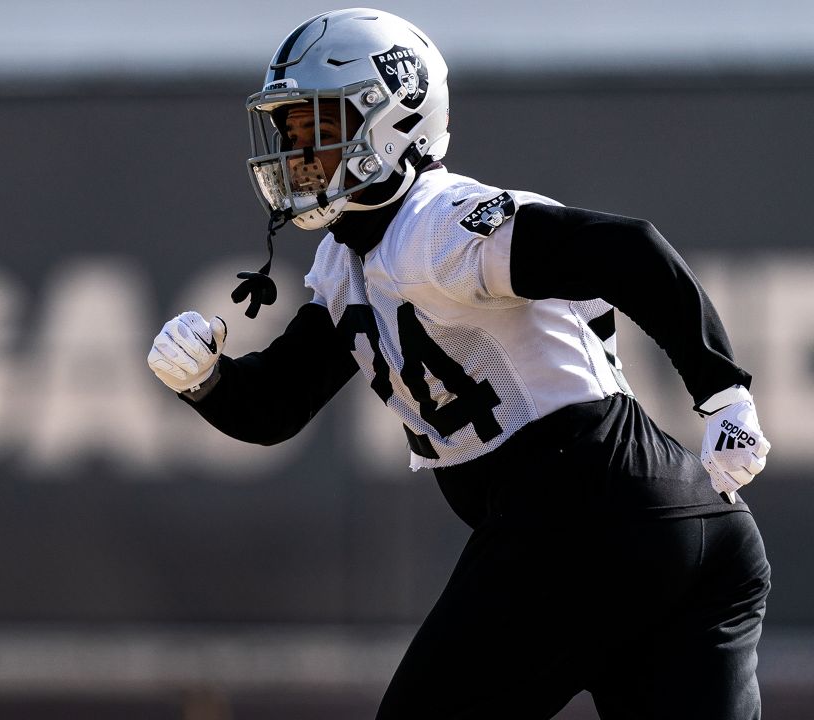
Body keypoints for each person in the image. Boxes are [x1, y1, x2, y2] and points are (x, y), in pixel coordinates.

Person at [146, 8, 772, 719]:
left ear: (390, 118)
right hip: (683, 526)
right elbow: (279, 404)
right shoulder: (346, 261)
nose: (296, 154)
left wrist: (722, 392)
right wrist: (207, 379)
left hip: (581, 508)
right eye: (290, 132)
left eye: (315, 126)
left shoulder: (440, 225)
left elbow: (627, 249)